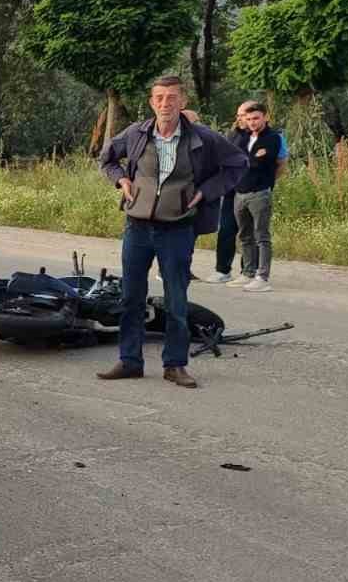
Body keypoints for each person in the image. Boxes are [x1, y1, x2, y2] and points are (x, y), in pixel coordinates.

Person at [97, 75, 247, 388]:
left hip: (178, 229)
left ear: (183, 102)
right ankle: (129, 361)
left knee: (177, 300)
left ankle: (175, 365)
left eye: (172, 97)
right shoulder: (136, 133)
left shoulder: (204, 138)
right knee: (131, 297)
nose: (166, 103)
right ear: (152, 102)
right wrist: (121, 180)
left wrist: (206, 192)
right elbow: (107, 158)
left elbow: (237, 164)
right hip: (137, 227)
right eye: (160, 97)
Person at [210, 103, 290, 284]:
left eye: (251, 117)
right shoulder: (235, 135)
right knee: (232, 231)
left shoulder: (273, 137)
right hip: (234, 189)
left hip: (256, 189)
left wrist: (266, 181)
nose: (243, 119)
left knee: (257, 234)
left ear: (263, 117)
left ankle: (255, 273)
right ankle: (228, 270)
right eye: (241, 116)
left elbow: (277, 162)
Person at [226, 100, 284, 292]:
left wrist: (246, 160)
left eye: (256, 118)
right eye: (248, 118)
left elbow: (262, 162)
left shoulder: (272, 138)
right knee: (244, 235)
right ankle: (248, 272)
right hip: (240, 193)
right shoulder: (243, 136)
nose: (252, 122)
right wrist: (249, 158)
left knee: (262, 236)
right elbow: (232, 158)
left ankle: (262, 276)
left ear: (265, 117)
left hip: (259, 193)